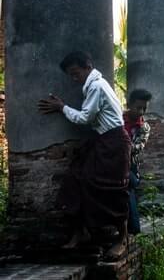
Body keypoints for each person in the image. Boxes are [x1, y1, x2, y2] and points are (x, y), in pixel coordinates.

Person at [38, 51, 131, 257]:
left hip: (114, 144)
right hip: (102, 142)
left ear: (88, 66)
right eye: (71, 75)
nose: (74, 78)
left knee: (113, 189)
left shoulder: (97, 86)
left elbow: (85, 118)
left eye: (76, 73)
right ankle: (81, 232)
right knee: (76, 178)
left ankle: (122, 238)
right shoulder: (93, 85)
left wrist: (62, 107)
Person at [124, 89, 152, 235]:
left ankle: (134, 228)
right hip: (113, 162)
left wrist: (120, 147)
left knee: (128, 185)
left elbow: (137, 148)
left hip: (130, 166)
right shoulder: (118, 118)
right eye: (138, 107)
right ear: (129, 104)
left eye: (144, 108)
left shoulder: (144, 127)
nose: (141, 112)